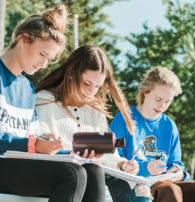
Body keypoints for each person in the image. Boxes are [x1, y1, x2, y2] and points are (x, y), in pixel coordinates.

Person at [0, 5, 107, 202]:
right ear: (24, 40)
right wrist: (33, 144)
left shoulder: (27, 89)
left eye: (49, 59)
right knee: (72, 174)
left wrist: (68, 153)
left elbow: (31, 143)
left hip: (4, 166)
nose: (44, 64)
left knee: (92, 170)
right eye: (42, 54)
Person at [35, 45, 153, 202]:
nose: (91, 91)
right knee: (95, 177)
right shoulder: (44, 101)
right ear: (72, 74)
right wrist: (74, 154)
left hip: (96, 175)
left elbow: (108, 154)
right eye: (86, 83)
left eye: (97, 86)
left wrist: (123, 165)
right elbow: (38, 145)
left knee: (139, 189)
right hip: (64, 176)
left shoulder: (95, 110)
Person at [110, 66, 195, 202]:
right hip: (138, 184)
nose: (162, 106)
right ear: (145, 92)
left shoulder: (169, 126)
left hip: (166, 182)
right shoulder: (123, 120)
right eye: (158, 99)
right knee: (169, 189)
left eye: (167, 102)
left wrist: (179, 173)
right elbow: (115, 160)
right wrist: (145, 167)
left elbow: (175, 163)